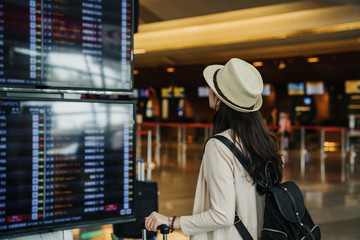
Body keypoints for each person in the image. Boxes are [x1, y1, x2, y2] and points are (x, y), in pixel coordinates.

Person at [144, 58, 284, 239]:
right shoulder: (261, 141)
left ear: (219, 99)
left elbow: (222, 215)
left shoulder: (219, 146)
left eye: (213, 87)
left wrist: (172, 222)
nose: (209, 90)